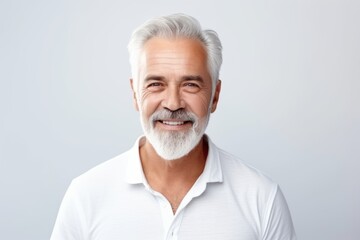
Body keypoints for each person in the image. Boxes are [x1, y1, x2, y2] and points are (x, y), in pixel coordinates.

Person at [51, 13, 296, 240]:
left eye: (190, 85)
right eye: (156, 84)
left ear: (215, 96)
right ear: (135, 94)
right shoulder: (86, 195)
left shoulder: (262, 198)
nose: (172, 103)